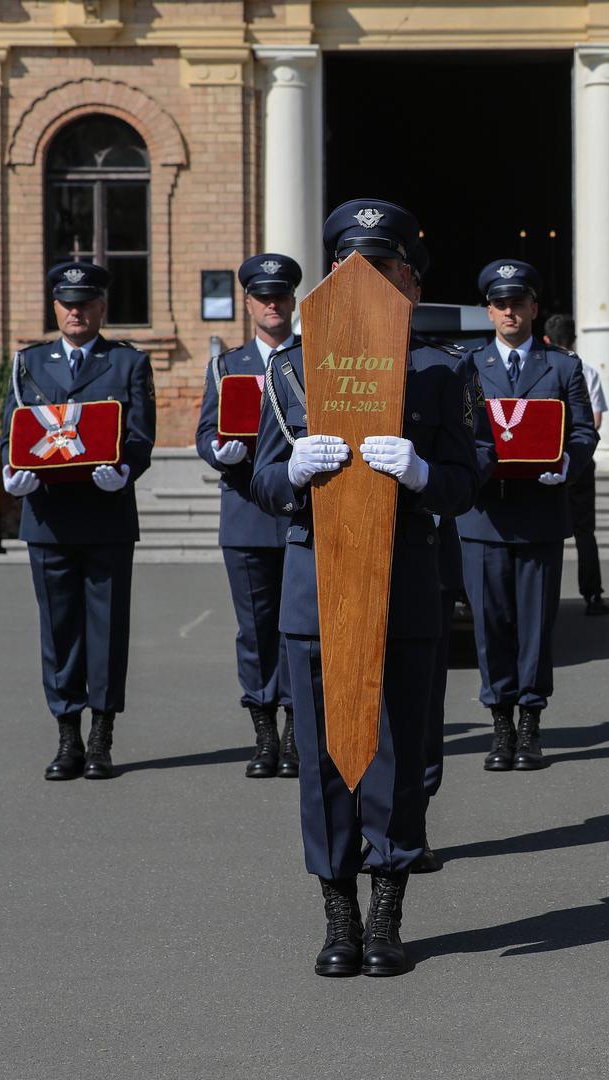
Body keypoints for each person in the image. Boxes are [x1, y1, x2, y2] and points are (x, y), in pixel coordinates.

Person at [251, 199, 480, 977]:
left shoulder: (443, 369)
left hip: (404, 580)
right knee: (319, 759)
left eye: (382, 267)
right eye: (352, 266)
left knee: (394, 752)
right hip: (316, 587)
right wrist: (292, 473)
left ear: (407, 280)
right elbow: (259, 475)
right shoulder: (288, 367)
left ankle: (387, 910)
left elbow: (466, 478)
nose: (368, 279)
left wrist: (419, 474)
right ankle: (337, 911)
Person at [0, 261, 156, 781]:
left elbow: (139, 435)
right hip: (47, 517)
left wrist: (126, 470)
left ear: (101, 308)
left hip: (106, 513)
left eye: (86, 303)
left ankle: (102, 737)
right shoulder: (29, 363)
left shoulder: (126, 363)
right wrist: (10, 471)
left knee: (107, 628)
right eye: (67, 303)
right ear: (55, 308)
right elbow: (12, 432)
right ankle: (67, 735)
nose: (76, 311)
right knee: (59, 630)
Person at [458, 260, 598, 773]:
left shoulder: (562, 367)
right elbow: (458, 435)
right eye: (501, 304)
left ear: (534, 308)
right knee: (490, 624)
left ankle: (532, 722)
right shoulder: (468, 367)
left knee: (536, 625)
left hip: (540, 512)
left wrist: (567, 461)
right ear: (489, 311)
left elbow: (583, 432)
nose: (510, 311)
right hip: (485, 516)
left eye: (519, 302)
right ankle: (500, 723)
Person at [404, 235, 497, 873]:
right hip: (336, 563)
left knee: (421, 700)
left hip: (424, 554)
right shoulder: (305, 363)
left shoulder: (444, 366)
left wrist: (426, 479)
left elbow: (476, 455)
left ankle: (415, 814)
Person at [195, 253, 300, 779]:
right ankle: (263, 732)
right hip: (246, 514)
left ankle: (297, 730)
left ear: (294, 300)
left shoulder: (313, 362)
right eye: (263, 296)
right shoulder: (228, 366)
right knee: (255, 629)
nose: (273, 303)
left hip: (305, 513)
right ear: (250, 303)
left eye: (281, 294)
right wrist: (221, 451)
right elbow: (205, 433)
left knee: (301, 627)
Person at [543, 313, 609, 616]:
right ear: (574, 340)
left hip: (546, 457)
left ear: (545, 340)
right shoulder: (589, 371)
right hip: (580, 459)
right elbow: (594, 421)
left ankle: (545, 597)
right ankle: (592, 594)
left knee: (545, 528)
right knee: (584, 530)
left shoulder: (543, 368)